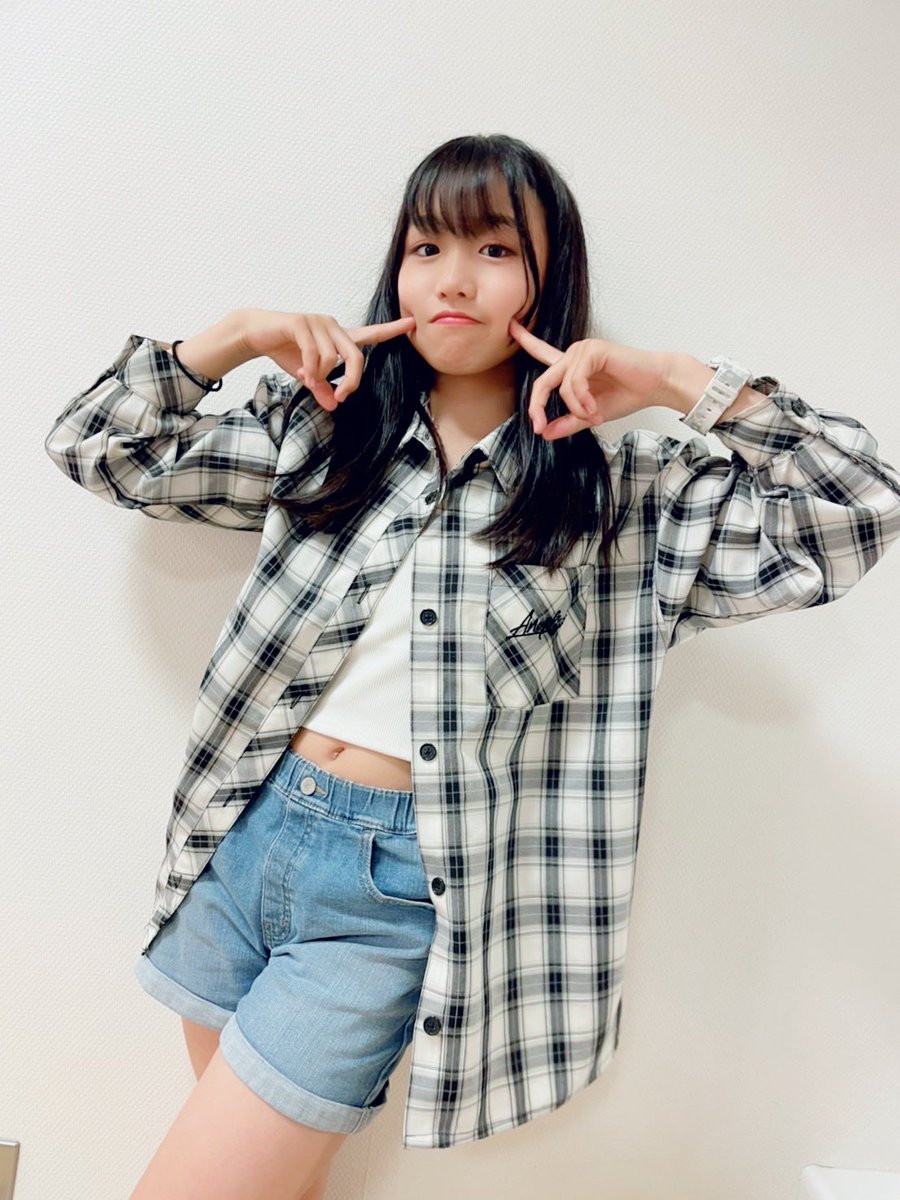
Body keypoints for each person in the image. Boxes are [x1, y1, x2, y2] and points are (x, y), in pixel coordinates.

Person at [44, 133, 900, 1198]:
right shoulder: (323, 433)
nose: (453, 279)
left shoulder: (621, 497)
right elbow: (99, 447)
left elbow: (856, 509)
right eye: (427, 247)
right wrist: (239, 335)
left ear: (549, 281)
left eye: (495, 250)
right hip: (241, 835)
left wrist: (673, 379)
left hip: (394, 891)